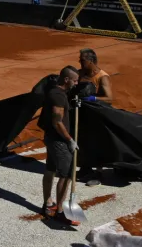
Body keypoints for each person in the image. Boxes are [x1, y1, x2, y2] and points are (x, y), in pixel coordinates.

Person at [39, 65, 80, 224]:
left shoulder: (58, 93)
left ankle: (48, 203)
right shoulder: (58, 96)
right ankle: (61, 212)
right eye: (75, 81)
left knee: (50, 169)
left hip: (51, 138)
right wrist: (69, 139)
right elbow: (57, 121)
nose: (76, 84)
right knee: (67, 173)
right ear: (66, 79)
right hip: (59, 141)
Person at [77, 48, 112, 186]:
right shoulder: (80, 74)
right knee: (82, 141)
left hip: (98, 116)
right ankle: (85, 168)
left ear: (91, 61)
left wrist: (92, 98)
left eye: (82, 60)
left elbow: (109, 98)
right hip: (83, 114)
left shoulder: (102, 77)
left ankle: (98, 173)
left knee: (97, 144)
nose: (80, 62)